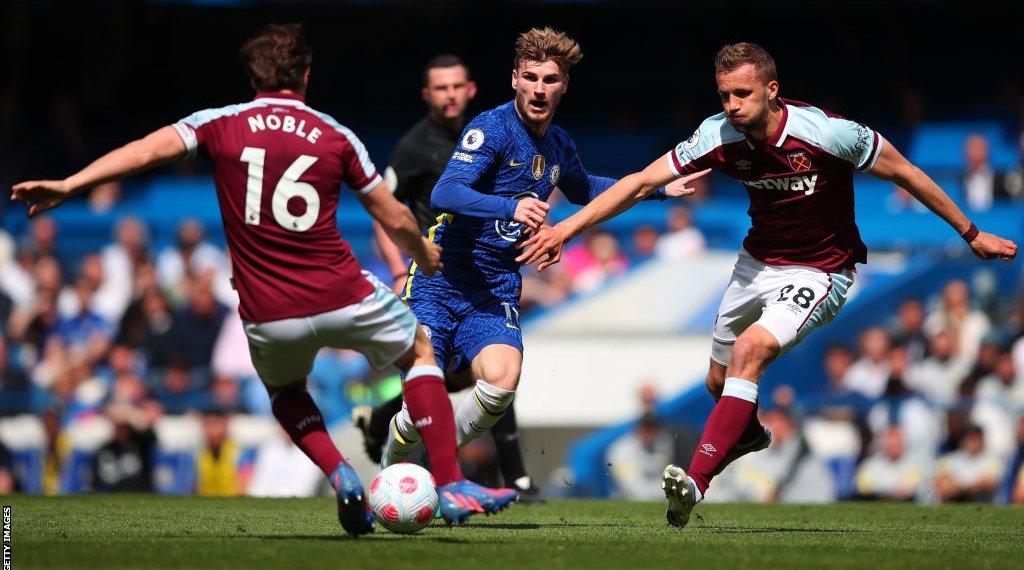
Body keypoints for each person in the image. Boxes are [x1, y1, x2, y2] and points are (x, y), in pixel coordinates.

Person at [10, 23, 516, 534]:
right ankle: (450, 483)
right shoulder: (333, 134)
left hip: (266, 308)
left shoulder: (218, 123)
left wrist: (70, 184)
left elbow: (144, 150)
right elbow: (393, 214)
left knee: (285, 390)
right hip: (339, 290)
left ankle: (340, 472)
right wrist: (422, 252)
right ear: (306, 74)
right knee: (419, 353)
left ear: (252, 75)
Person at [517, 42, 1017, 528]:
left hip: (822, 270)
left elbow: (906, 173)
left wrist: (970, 233)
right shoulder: (716, 134)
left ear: (771, 90)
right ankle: (749, 434)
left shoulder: (827, 134)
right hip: (755, 263)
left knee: (751, 350)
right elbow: (641, 182)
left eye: (742, 94)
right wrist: (565, 228)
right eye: (724, 96)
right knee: (719, 383)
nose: (732, 106)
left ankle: (694, 483)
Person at [380, 27, 707, 476]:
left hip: (494, 288)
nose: (538, 88)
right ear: (515, 78)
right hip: (442, 278)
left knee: (500, 384)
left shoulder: (558, 144)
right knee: (424, 387)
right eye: (530, 77)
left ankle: (435, 452)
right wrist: (509, 206)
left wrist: (655, 188)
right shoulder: (490, 129)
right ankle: (400, 457)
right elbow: (445, 193)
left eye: (550, 79)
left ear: (564, 85)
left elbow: (586, 187)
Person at [354, 54, 541, 501]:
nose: (450, 94)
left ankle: (386, 423)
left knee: (486, 372)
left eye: (457, 86)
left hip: (483, 275)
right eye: (441, 88)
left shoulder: (497, 134)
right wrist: (401, 269)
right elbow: (383, 214)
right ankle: (510, 477)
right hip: (432, 276)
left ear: (472, 89)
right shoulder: (415, 148)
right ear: (427, 95)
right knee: (441, 378)